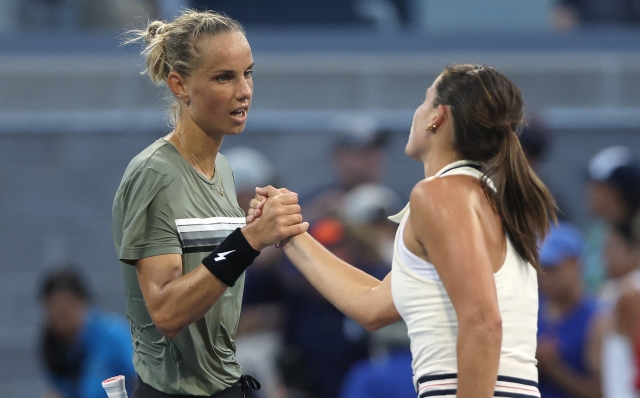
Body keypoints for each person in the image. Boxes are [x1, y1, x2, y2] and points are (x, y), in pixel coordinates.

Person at [250, 63, 556, 398]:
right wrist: (290, 234)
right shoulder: (480, 196)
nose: (416, 112)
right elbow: (372, 307)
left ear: (438, 116)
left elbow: (483, 321)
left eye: (424, 101)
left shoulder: (441, 194)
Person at [112, 10, 307, 398]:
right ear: (179, 85)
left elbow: (216, 271)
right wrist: (248, 240)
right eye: (224, 77)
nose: (244, 90)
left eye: (247, 73)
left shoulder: (224, 171)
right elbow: (167, 313)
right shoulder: (154, 174)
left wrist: (251, 231)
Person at [39, 267, 136, 398]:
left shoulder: (113, 334)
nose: (61, 315)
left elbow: (140, 379)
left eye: (67, 306)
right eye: (54, 309)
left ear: (82, 301)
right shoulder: (55, 347)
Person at [536, 222, 603, 398]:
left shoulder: (597, 318)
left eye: (552, 269)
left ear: (575, 264)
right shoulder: (531, 312)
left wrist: (554, 368)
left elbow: (601, 391)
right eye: (540, 269)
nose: (544, 278)